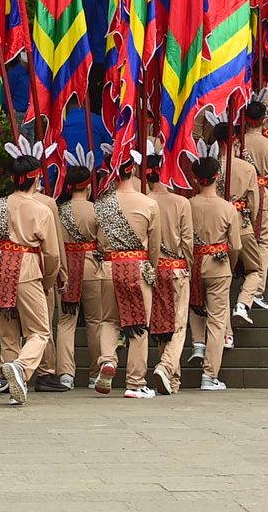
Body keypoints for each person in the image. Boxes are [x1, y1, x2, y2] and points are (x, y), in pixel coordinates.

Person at [0, 137, 62, 405]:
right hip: (27, 267)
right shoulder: (41, 210)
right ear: (35, 178)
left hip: (0, 265)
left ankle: (13, 382)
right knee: (40, 330)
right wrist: (48, 280)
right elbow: (52, 254)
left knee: (8, 332)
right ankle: (22, 367)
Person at [92, 150, 161, 399]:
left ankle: (108, 360)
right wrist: (150, 269)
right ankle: (135, 382)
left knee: (109, 321)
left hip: (109, 267)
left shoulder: (101, 205)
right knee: (139, 326)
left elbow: (98, 241)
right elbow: (154, 246)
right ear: (132, 169)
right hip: (137, 266)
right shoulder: (149, 203)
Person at [185, 141, 245, 390]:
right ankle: (210, 374)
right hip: (218, 264)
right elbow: (235, 246)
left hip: (193, 263)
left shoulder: (187, 205)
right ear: (217, 176)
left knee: (194, 305)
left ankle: (198, 342)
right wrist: (228, 265)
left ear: (195, 178)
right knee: (218, 319)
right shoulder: (228, 208)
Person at [142, 147, 193, 396]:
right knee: (179, 324)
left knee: (162, 325)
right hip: (176, 269)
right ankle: (165, 366)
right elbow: (187, 243)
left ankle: (173, 379)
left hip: (152, 269)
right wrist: (191, 270)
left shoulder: (144, 202)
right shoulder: (181, 202)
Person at [53, 151, 103, 391]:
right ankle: (95, 373)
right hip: (92, 264)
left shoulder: (58, 210)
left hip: (66, 267)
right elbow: (103, 242)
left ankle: (65, 374)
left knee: (66, 321)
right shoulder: (97, 210)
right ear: (87, 186)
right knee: (96, 321)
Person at [232, 99, 268, 322]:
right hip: (262, 194)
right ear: (263, 120)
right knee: (263, 241)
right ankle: (256, 289)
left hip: (236, 197)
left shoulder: (236, 144)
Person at [82, 0, 113, 117]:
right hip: (95, 57)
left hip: (107, 56)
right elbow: (85, 31)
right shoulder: (89, 1)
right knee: (96, 95)